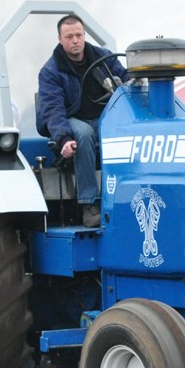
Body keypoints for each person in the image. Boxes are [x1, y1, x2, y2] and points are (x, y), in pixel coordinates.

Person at [37, 14, 130, 227]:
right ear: (60, 39)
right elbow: (53, 110)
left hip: (103, 118)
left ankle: (126, 197)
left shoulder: (103, 59)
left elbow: (126, 79)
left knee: (123, 131)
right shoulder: (51, 72)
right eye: (69, 36)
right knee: (84, 133)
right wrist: (63, 139)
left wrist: (137, 79)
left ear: (84, 35)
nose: (75, 40)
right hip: (72, 120)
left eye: (78, 35)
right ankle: (89, 206)